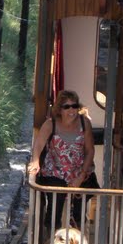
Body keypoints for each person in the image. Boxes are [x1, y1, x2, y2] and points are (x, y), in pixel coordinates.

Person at [28, 90, 98, 230]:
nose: (71, 110)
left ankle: (76, 243)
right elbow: (39, 144)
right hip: (55, 171)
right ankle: (51, 241)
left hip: (79, 170)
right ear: (59, 109)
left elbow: (90, 150)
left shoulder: (84, 123)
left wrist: (81, 175)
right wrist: (35, 161)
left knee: (79, 210)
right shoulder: (50, 124)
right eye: (67, 107)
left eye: (74, 106)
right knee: (54, 208)